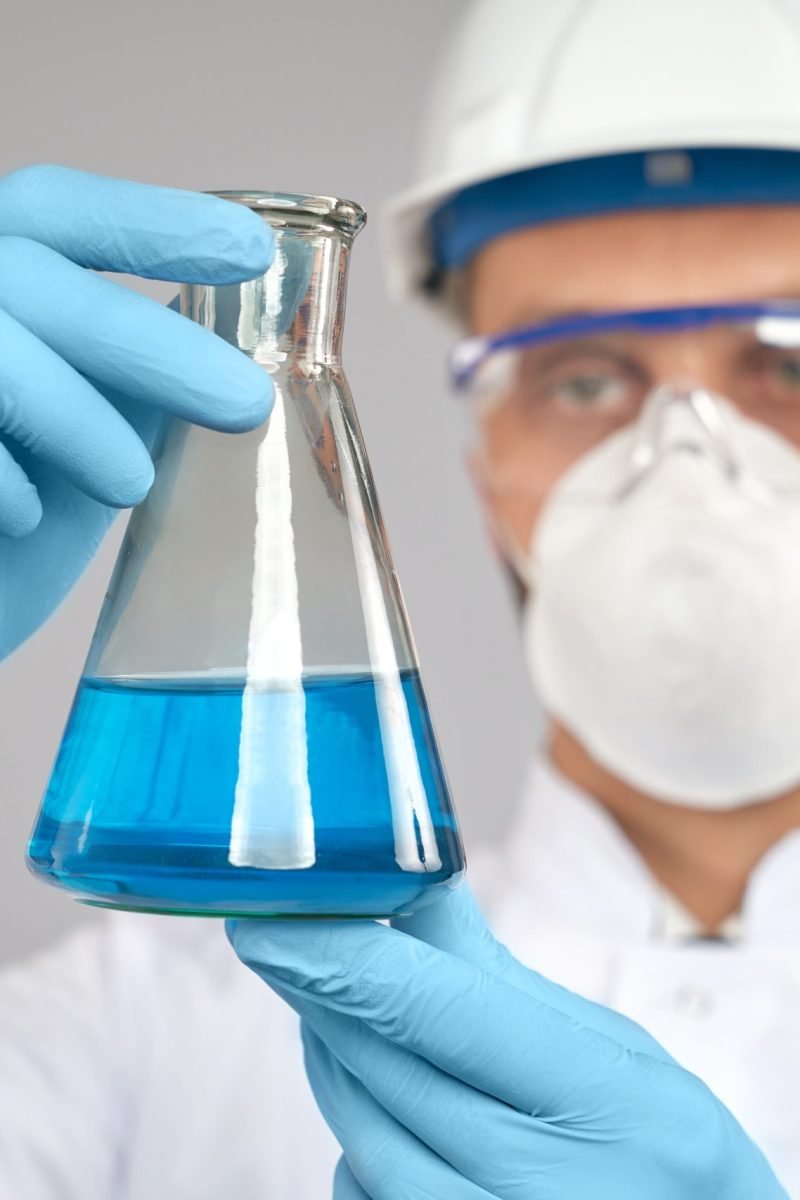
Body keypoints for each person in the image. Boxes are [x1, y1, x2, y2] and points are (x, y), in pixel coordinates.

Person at [2, 0, 800, 1194]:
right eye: (582, 377)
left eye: (785, 361)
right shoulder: (138, 1021)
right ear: (485, 473)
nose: (685, 461)